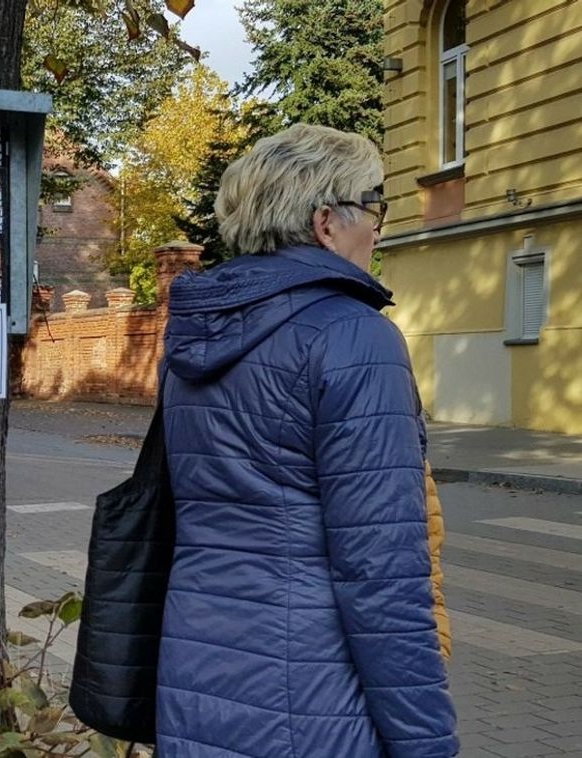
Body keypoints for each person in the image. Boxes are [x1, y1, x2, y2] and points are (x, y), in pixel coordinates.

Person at [157, 123, 458, 757]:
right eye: (374, 205)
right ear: (327, 222)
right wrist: (426, 742)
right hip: (311, 698)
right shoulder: (354, 337)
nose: (379, 225)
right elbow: (382, 573)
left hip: (196, 674)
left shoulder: (195, 336)